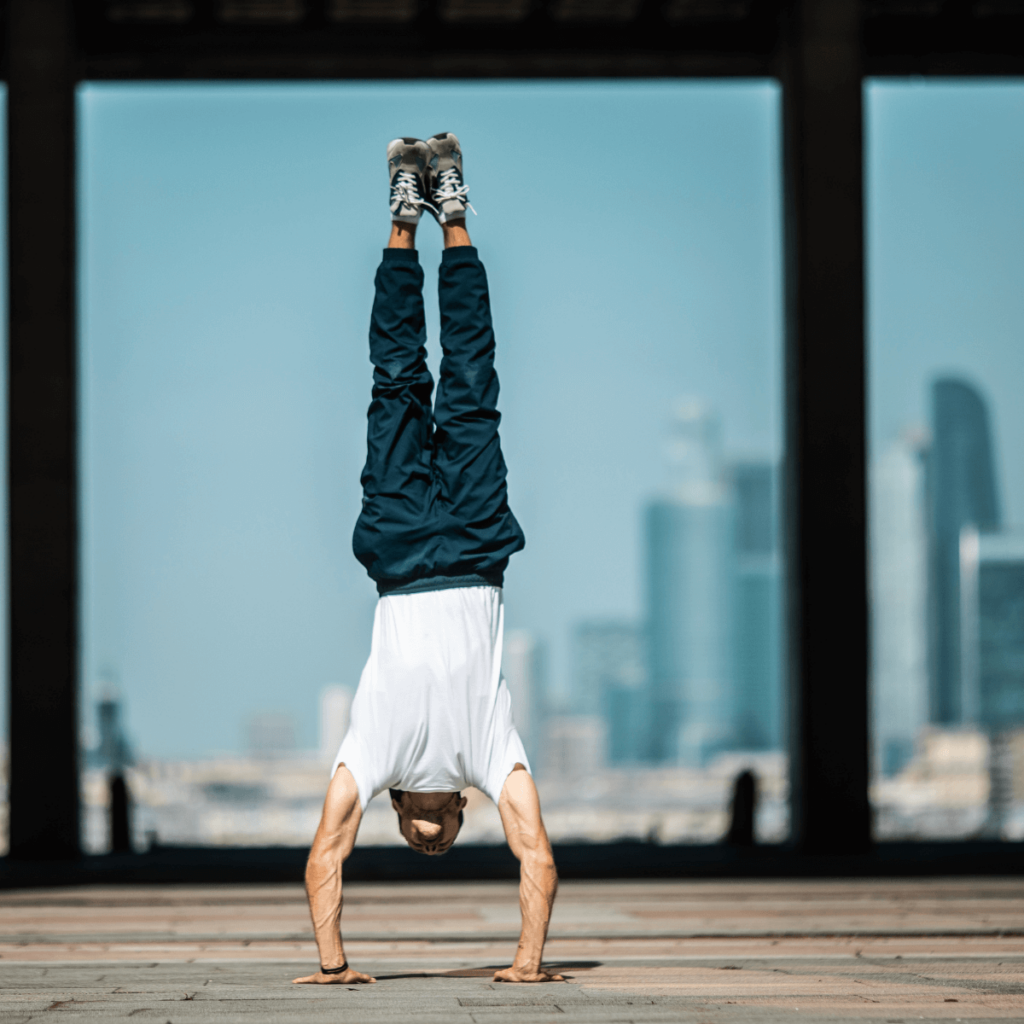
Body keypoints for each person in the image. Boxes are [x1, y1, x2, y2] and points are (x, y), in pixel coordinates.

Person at [293, 134, 561, 987]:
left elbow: (326, 852)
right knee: (472, 383)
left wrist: (334, 963)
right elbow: (538, 856)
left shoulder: (374, 756)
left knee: (398, 381)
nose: (429, 836)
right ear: (458, 812)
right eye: (439, 837)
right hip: (477, 546)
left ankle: (403, 221)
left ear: (402, 813)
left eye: (417, 838)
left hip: (403, 549)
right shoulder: (490, 756)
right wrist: (525, 963)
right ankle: (454, 215)